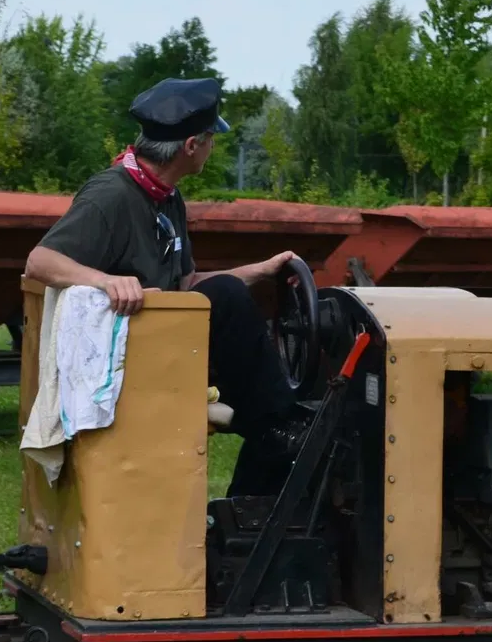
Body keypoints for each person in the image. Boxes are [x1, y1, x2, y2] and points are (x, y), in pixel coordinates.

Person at [23, 77, 304, 493]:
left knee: (229, 300)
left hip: (163, 345)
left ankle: (275, 438)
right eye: (211, 140)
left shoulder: (167, 197)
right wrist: (105, 282)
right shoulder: (111, 195)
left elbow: (186, 284)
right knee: (273, 417)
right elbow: (39, 260)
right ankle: (280, 425)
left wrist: (259, 270)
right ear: (192, 146)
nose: (213, 148)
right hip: (127, 361)